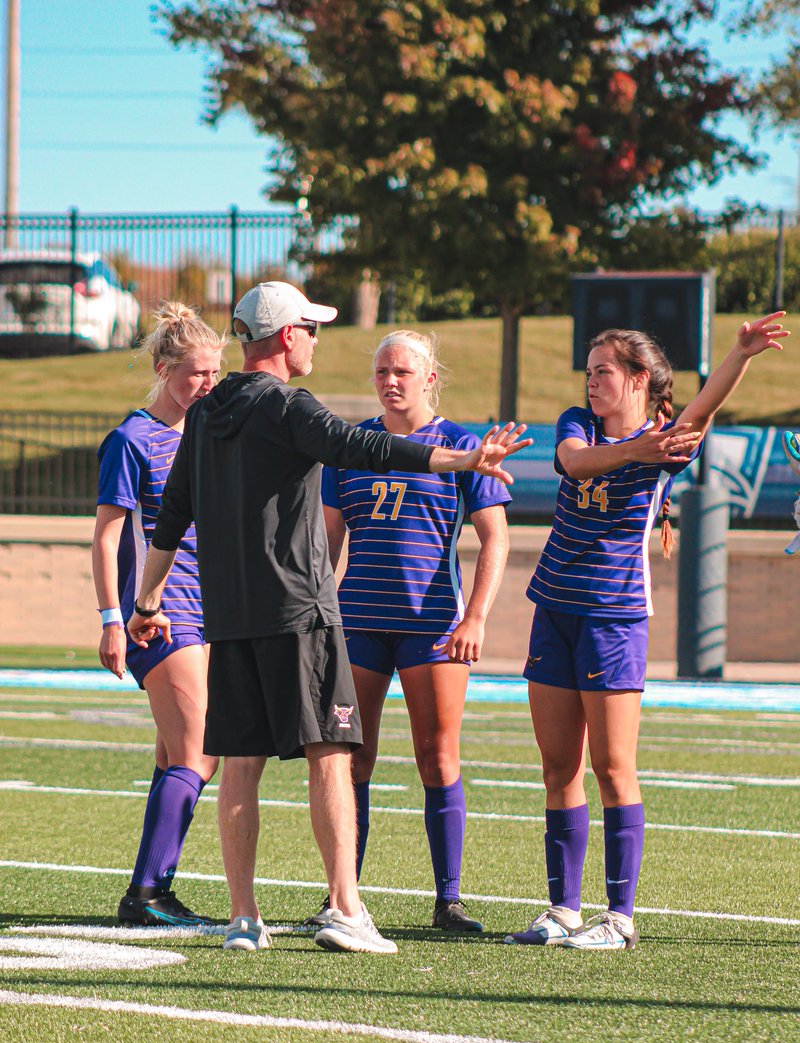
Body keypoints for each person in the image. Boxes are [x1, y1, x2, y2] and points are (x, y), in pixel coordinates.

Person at [126, 281, 531, 955]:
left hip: (228, 619)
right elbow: (360, 448)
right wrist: (459, 458)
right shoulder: (288, 405)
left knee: (242, 766)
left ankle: (243, 919)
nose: (316, 339)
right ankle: (346, 908)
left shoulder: (204, 412)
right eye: (310, 329)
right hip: (298, 612)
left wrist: (147, 602)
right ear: (286, 337)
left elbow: (172, 514)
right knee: (331, 755)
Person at [506, 311, 789, 951]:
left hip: (614, 616)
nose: (591, 383)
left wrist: (740, 354)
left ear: (639, 380)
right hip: (554, 608)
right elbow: (575, 464)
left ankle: (620, 918)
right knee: (558, 767)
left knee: (612, 766)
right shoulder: (578, 425)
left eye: (604, 372)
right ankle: (562, 909)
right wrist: (635, 448)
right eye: (588, 373)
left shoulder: (669, 440)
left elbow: (706, 405)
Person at [306, 329, 511, 933]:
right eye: (381, 372)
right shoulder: (353, 445)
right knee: (351, 759)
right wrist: (320, 620)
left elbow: (494, 535)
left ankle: (448, 898)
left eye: (402, 371)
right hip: (359, 625)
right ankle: (344, 896)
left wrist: (475, 616)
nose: (390, 381)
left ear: (430, 379)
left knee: (436, 756)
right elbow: (326, 543)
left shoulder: (461, 445)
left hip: (433, 629)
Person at [92, 301, 227, 926]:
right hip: (161, 613)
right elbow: (107, 536)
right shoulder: (131, 438)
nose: (207, 384)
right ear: (163, 368)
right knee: (199, 752)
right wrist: (113, 619)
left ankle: (153, 888)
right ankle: (145, 894)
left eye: (215, 374)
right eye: (196, 373)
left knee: (177, 756)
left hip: (207, 610)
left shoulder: (203, 436)